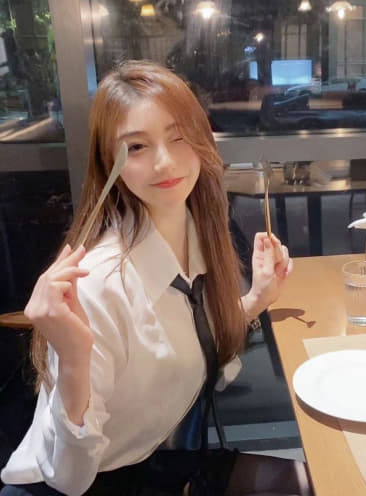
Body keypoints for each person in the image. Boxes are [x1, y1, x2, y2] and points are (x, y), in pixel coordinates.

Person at [0, 60, 311, 496]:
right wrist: (72, 357)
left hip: (156, 460)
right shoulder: (98, 284)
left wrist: (256, 299)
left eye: (178, 136)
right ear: (110, 162)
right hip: (83, 484)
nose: (165, 162)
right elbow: (68, 478)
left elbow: (192, 348)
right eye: (137, 147)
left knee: (318, 481)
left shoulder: (198, 237)